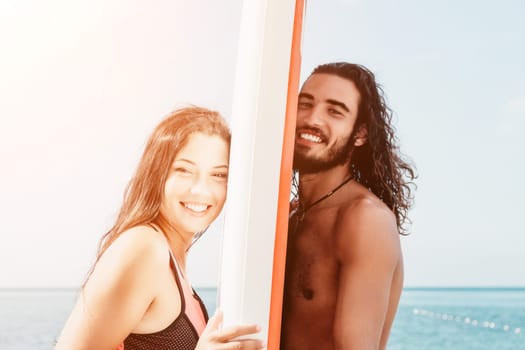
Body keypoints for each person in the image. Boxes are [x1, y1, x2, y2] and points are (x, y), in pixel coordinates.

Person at [55, 106, 264, 350]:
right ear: (157, 173)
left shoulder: (173, 263)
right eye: (184, 170)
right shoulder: (144, 248)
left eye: (218, 175)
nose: (201, 190)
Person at [280, 62, 416, 350]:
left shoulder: (365, 219)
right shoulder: (291, 215)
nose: (313, 119)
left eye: (335, 111)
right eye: (305, 104)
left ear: (360, 134)